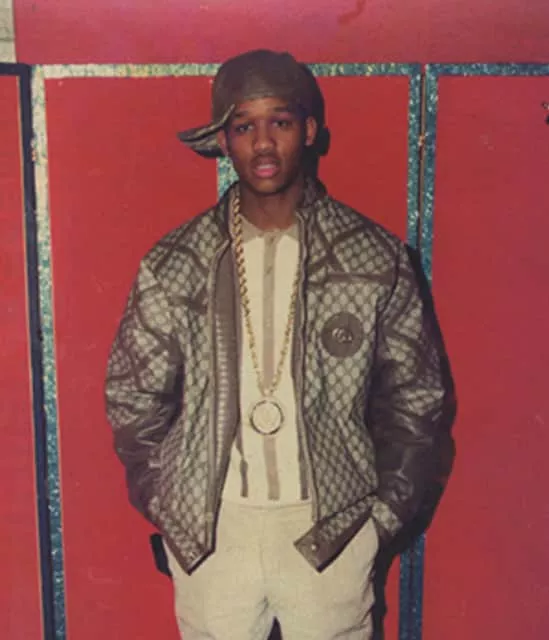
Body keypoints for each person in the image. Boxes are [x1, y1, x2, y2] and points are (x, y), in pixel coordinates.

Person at [105, 49, 454, 640]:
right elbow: (132, 397)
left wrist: (377, 521)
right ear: (224, 141)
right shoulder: (176, 263)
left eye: (281, 122)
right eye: (244, 126)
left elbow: (416, 399)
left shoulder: (375, 258)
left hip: (331, 529)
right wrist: (171, 502)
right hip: (215, 533)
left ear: (309, 130)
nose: (263, 143)